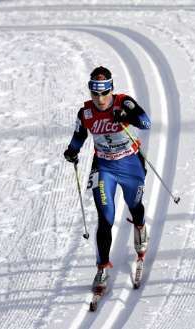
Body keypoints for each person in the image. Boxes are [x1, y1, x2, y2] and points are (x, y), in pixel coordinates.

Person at [63, 66, 151, 293]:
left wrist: (126, 116)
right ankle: (102, 267)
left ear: (111, 89)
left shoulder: (124, 102)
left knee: (134, 205)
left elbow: (145, 122)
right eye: (95, 93)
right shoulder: (86, 113)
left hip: (130, 164)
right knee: (106, 218)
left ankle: (140, 226)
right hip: (104, 167)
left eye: (104, 92)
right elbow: (79, 134)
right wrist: (72, 151)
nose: (100, 98)